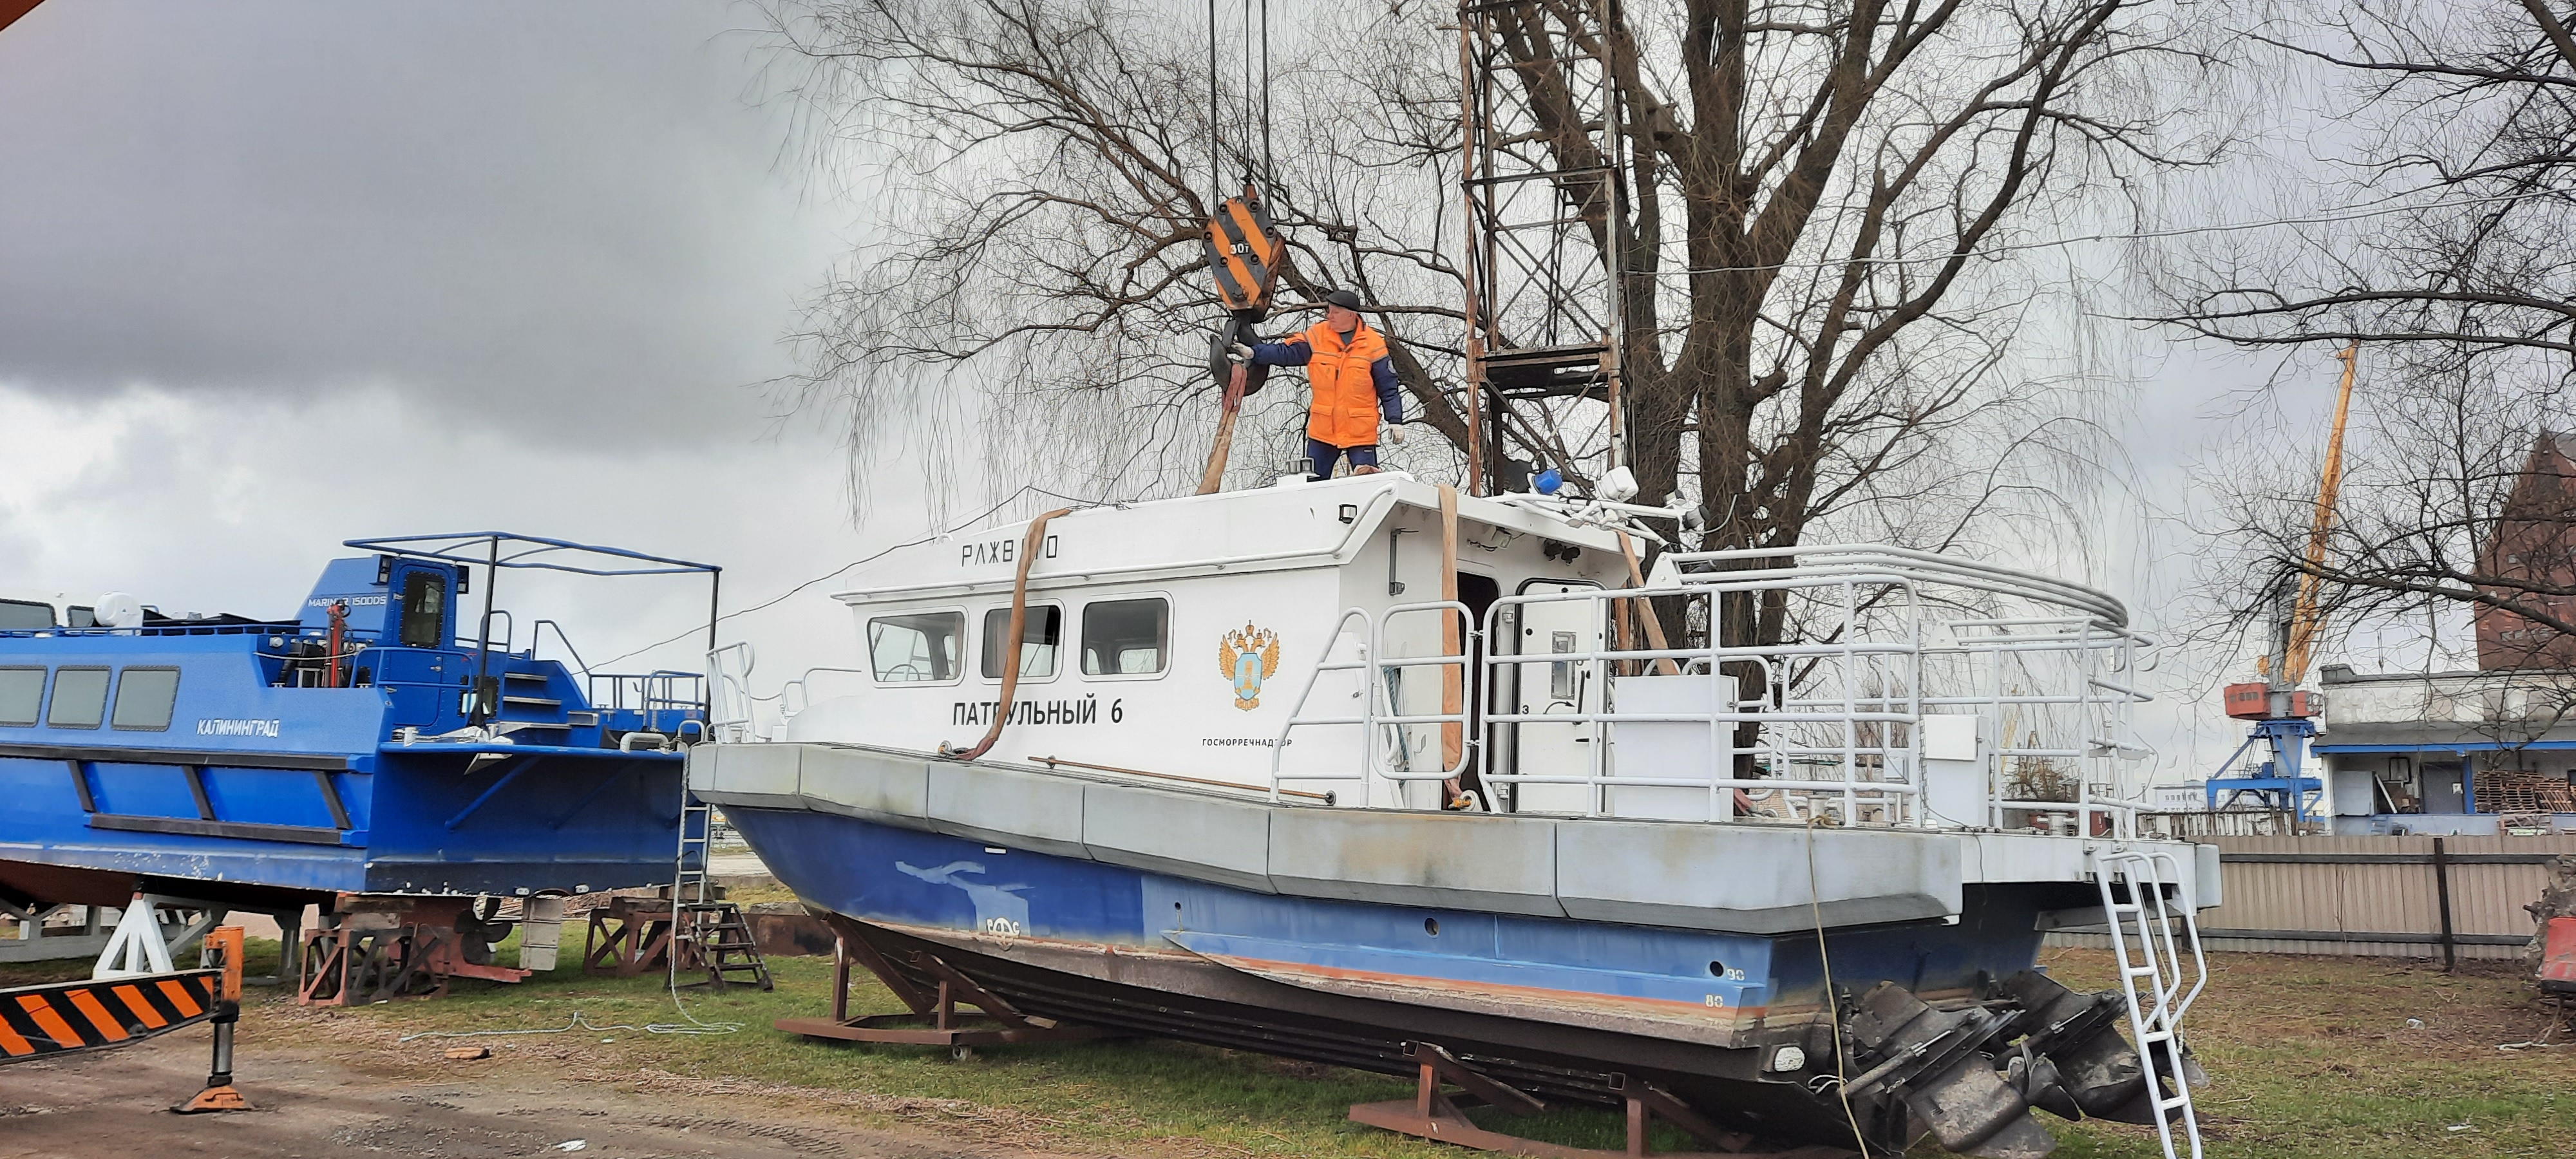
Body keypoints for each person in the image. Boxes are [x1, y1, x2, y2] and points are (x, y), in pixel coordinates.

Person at [1228, 288, 1406, 479]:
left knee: (1366, 483)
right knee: (1311, 484)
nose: (1330, 316)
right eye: (1328, 311)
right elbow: (1288, 353)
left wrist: (1395, 420)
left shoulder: (1373, 344)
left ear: (1351, 314)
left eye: (1335, 312)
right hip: (1323, 431)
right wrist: (1255, 353)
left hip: (1359, 432)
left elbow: (1388, 388)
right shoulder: (1318, 336)